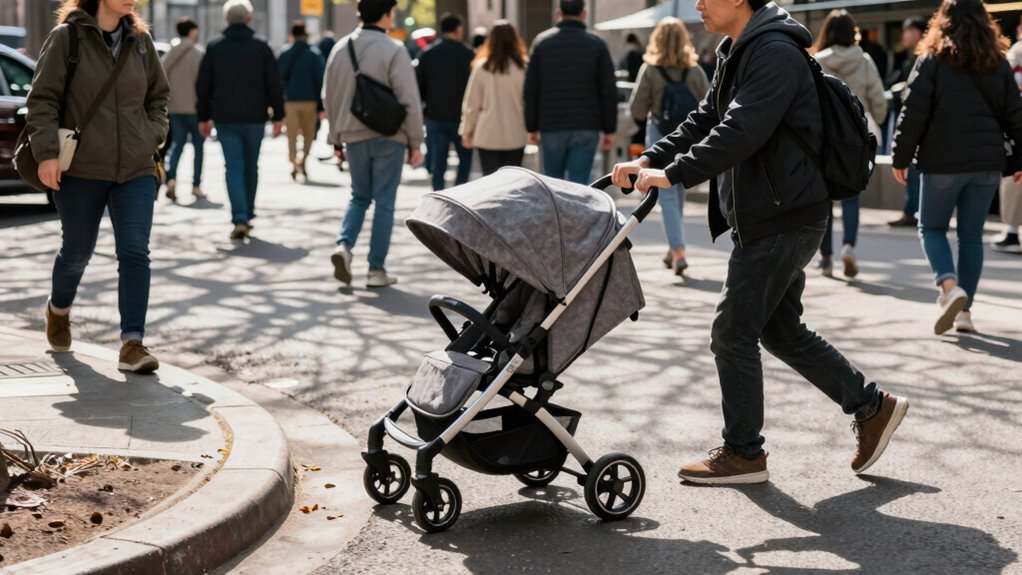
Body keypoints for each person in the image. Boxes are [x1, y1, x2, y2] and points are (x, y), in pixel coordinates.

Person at [612, 0, 908, 484]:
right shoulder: (737, 48)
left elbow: (741, 129)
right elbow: (705, 118)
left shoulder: (773, 52)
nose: (699, 4)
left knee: (732, 332)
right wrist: (651, 158)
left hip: (784, 215)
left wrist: (675, 173)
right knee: (780, 329)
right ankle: (872, 407)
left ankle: (744, 453)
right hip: (775, 212)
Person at [29, 0, 169, 373]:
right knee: (77, 251)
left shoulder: (141, 42)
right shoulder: (67, 38)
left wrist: (151, 135)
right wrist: (46, 153)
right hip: (82, 169)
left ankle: (132, 343)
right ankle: (58, 309)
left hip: (136, 169)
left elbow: (159, 97)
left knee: (135, 251)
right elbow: (42, 99)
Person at [892, 0, 1022, 335]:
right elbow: (1016, 116)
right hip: (987, 165)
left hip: (941, 163)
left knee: (931, 228)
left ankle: (950, 289)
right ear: (984, 22)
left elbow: (912, 113)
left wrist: (900, 157)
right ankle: (965, 314)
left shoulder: (931, 61)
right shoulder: (998, 62)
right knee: (971, 237)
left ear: (943, 21)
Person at [324, 0, 424, 288]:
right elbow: (409, 99)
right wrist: (415, 141)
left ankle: (344, 245)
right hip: (389, 136)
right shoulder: (394, 49)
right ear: (385, 15)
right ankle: (375, 269)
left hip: (352, 136)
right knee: (384, 202)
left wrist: (335, 138)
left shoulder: (340, 49)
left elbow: (329, 96)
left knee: (358, 196)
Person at [196, 0, 284, 240]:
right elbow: (274, 84)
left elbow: (203, 86)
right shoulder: (261, 46)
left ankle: (240, 216)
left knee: (233, 166)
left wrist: (203, 117)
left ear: (227, 20)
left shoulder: (215, 47)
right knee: (251, 166)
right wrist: (278, 116)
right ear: (249, 19)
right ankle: (247, 213)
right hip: (255, 117)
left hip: (225, 118)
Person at [628, 17, 709, 280]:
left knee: (667, 196)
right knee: (678, 188)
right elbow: (709, 104)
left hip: (659, 135)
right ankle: (673, 248)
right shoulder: (695, 70)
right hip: (688, 137)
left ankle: (678, 250)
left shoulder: (650, 70)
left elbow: (637, 109)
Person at [811, 10, 887, 279]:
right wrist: (875, 118)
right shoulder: (864, 60)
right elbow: (878, 98)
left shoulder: (816, 61)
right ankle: (849, 248)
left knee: (824, 196)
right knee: (852, 193)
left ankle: (826, 257)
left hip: (824, 136)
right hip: (858, 134)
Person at [524, 0, 617, 185]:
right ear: (583, 14)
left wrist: (531, 126)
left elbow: (531, 89)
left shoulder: (542, 43)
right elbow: (607, 90)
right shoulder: (596, 44)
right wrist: (609, 129)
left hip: (551, 124)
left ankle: (555, 215)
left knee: (552, 185)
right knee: (579, 184)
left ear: (559, 13)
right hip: (587, 124)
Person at [460, 20, 529, 176]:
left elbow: (472, 104)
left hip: (487, 134)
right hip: (516, 133)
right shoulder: (524, 66)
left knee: (490, 183)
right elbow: (529, 102)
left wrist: (466, 132)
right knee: (512, 183)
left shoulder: (482, 67)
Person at [416, 13, 474, 191]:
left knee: (438, 163)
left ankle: (439, 196)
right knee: (464, 162)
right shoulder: (469, 55)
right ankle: (459, 195)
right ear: (458, 29)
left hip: (435, 115)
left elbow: (419, 86)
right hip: (461, 117)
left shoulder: (428, 54)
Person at [887, 16, 928, 228]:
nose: (904, 35)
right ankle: (913, 210)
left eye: (908, 31)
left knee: (915, 168)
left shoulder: (923, 59)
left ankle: (915, 211)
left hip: (921, 124)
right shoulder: (908, 60)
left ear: (920, 33)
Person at [162, 17, 205, 202]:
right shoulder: (198, 53)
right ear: (192, 31)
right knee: (198, 148)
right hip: (195, 109)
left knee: (176, 146)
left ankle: (171, 179)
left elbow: (160, 76)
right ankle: (196, 186)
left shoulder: (170, 52)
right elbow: (204, 85)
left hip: (174, 108)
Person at [278, 21, 325, 181]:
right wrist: (321, 104)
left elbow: (277, 78)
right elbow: (320, 79)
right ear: (305, 35)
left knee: (291, 135)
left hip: (290, 101)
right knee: (308, 134)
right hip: (310, 100)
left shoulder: (284, 53)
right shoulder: (314, 53)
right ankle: (302, 160)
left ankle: (294, 161)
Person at [993, 16, 1022, 254]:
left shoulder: (1018, 51)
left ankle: (1012, 232)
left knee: (1015, 179)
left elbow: (1009, 89)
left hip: (1018, 122)